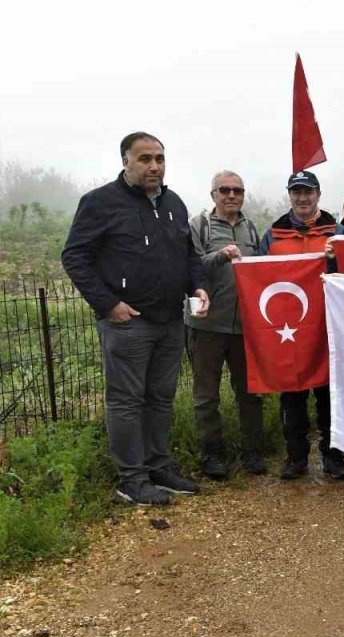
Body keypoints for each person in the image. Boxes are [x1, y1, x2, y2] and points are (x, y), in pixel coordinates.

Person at [61, 131, 208, 505]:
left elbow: (189, 254)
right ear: (125, 161)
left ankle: (158, 466)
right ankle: (132, 478)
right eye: (145, 159)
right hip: (128, 323)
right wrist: (108, 304)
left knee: (161, 397)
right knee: (126, 402)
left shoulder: (173, 203)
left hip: (170, 320)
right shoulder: (100, 203)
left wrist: (197, 287)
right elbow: (75, 257)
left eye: (160, 158)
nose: (154, 166)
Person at [260, 170, 344, 482]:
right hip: (289, 329)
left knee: (329, 395)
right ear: (289, 195)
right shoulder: (273, 234)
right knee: (292, 395)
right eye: (296, 192)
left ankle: (333, 455)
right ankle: (296, 456)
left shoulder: (337, 231)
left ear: (318, 194)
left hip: (328, 325)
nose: (302, 198)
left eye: (308, 192)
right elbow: (260, 277)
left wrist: (335, 259)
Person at [187, 170, 265, 480]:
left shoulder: (252, 229)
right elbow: (190, 266)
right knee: (206, 396)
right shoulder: (199, 226)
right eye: (225, 190)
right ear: (213, 195)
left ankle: (253, 451)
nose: (231, 195)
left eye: (238, 190)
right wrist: (219, 256)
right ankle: (212, 453)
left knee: (250, 392)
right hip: (206, 326)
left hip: (245, 328)